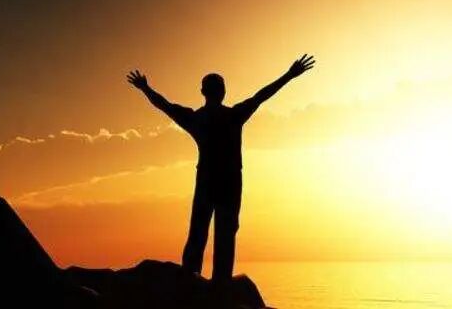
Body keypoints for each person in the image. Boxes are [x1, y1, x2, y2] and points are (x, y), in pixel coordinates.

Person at [126, 54, 315, 282]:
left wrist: (145, 88)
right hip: (228, 183)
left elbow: (164, 105)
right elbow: (261, 96)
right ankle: (219, 284)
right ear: (223, 92)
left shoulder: (197, 118)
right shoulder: (233, 115)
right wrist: (289, 75)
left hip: (208, 182)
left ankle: (190, 280)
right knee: (223, 235)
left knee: (199, 232)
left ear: (203, 92)